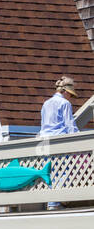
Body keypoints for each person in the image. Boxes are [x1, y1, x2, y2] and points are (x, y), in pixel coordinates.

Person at [40, 75, 81, 209]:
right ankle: (57, 201)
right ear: (65, 92)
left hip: (44, 142)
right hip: (59, 141)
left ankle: (51, 202)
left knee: (50, 171)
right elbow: (70, 125)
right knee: (65, 170)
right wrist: (79, 140)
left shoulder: (46, 103)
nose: (70, 98)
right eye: (70, 94)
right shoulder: (65, 103)